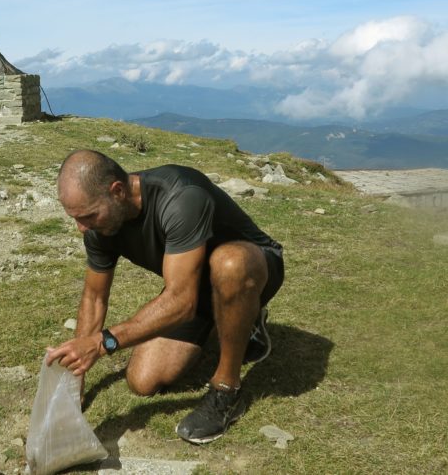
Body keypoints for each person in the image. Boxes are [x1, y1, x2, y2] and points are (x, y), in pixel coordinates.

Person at [46, 149, 284, 444]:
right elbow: (95, 297)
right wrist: (75, 377)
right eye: (76, 218)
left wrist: (103, 342)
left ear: (117, 191)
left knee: (229, 264)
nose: (82, 227)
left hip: (253, 270)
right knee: (142, 381)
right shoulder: (97, 226)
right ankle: (239, 321)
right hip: (195, 285)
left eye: (88, 216)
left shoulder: (181, 197)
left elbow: (181, 303)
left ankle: (227, 389)